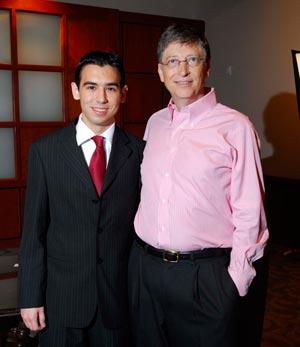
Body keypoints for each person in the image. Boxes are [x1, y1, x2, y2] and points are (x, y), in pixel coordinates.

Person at [129, 23, 269, 347]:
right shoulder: (154, 123)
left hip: (204, 277)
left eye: (192, 60)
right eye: (172, 61)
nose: (182, 70)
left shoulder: (235, 127)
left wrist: (235, 281)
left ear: (206, 68)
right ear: (160, 72)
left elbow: (251, 211)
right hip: (146, 271)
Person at [18, 50, 145, 346]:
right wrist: (29, 296)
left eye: (110, 88)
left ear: (123, 94)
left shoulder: (140, 153)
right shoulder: (45, 151)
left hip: (119, 304)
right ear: (76, 90)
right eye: (91, 87)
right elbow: (33, 232)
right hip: (60, 304)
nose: (101, 98)